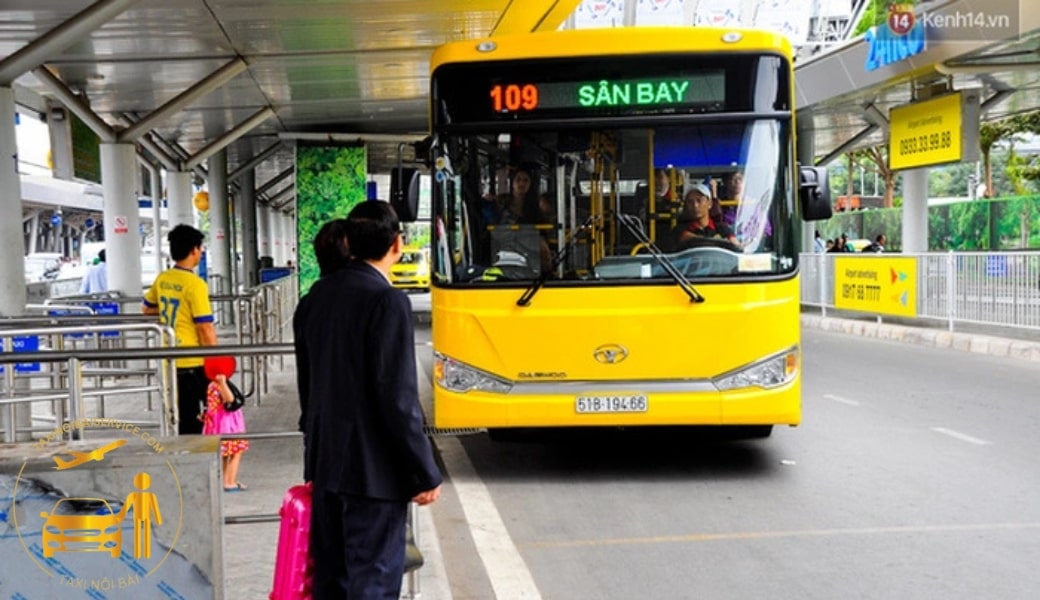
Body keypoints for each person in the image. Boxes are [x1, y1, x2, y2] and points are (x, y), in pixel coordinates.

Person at [293, 201, 443, 599]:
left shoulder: (315, 299)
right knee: (372, 583)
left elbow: (308, 392)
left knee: (332, 581)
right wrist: (424, 470)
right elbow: (398, 399)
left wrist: (313, 463)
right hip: (373, 474)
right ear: (398, 244)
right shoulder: (388, 301)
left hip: (326, 468)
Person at [143, 224, 216, 435]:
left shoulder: (164, 278)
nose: (201, 252)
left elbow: (146, 309)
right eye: (201, 248)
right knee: (214, 410)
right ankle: (203, 457)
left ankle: (185, 456)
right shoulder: (195, 284)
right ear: (194, 249)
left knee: (183, 414)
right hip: (195, 360)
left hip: (170, 357)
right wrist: (217, 359)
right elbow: (205, 326)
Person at [202, 355, 249, 491]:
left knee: (224, 454)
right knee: (236, 452)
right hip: (227, 425)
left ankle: (221, 480)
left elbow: (211, 406)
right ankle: (230, 482)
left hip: (215, 423)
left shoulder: (210, 385)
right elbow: (229, 399)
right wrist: (223, 383)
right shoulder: (219, 385)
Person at [674, 183, 738, 248]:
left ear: (710, 204)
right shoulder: (679, 230)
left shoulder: (722, 228)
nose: (695, 205)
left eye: (699, 200)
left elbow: (736, 246)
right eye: (690, 202)